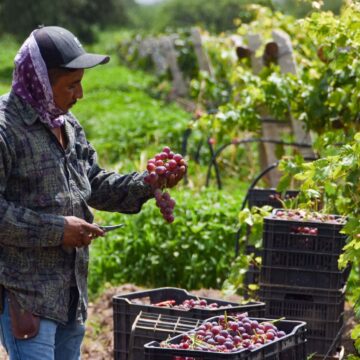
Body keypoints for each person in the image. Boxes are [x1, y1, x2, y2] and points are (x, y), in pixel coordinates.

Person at [0, 26, 185, 360]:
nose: (80, 94)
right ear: (39, 81)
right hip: (26, 297)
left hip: (71, 295)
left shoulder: (66, 124)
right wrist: (58, 231)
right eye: (71, 85)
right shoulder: (5, 131)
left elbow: (93, 183)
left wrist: (149, 182)